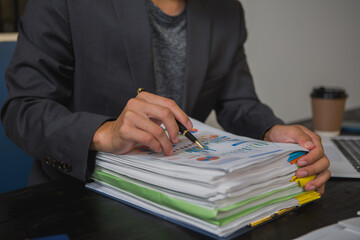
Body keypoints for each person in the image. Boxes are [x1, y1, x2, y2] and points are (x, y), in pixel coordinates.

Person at [1, 0, 330, 194]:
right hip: (78, 198)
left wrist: (272, 132)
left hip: (189, 198)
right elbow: (23, 109)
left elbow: (238, 102)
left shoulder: (226, 9)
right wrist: (104, 133)